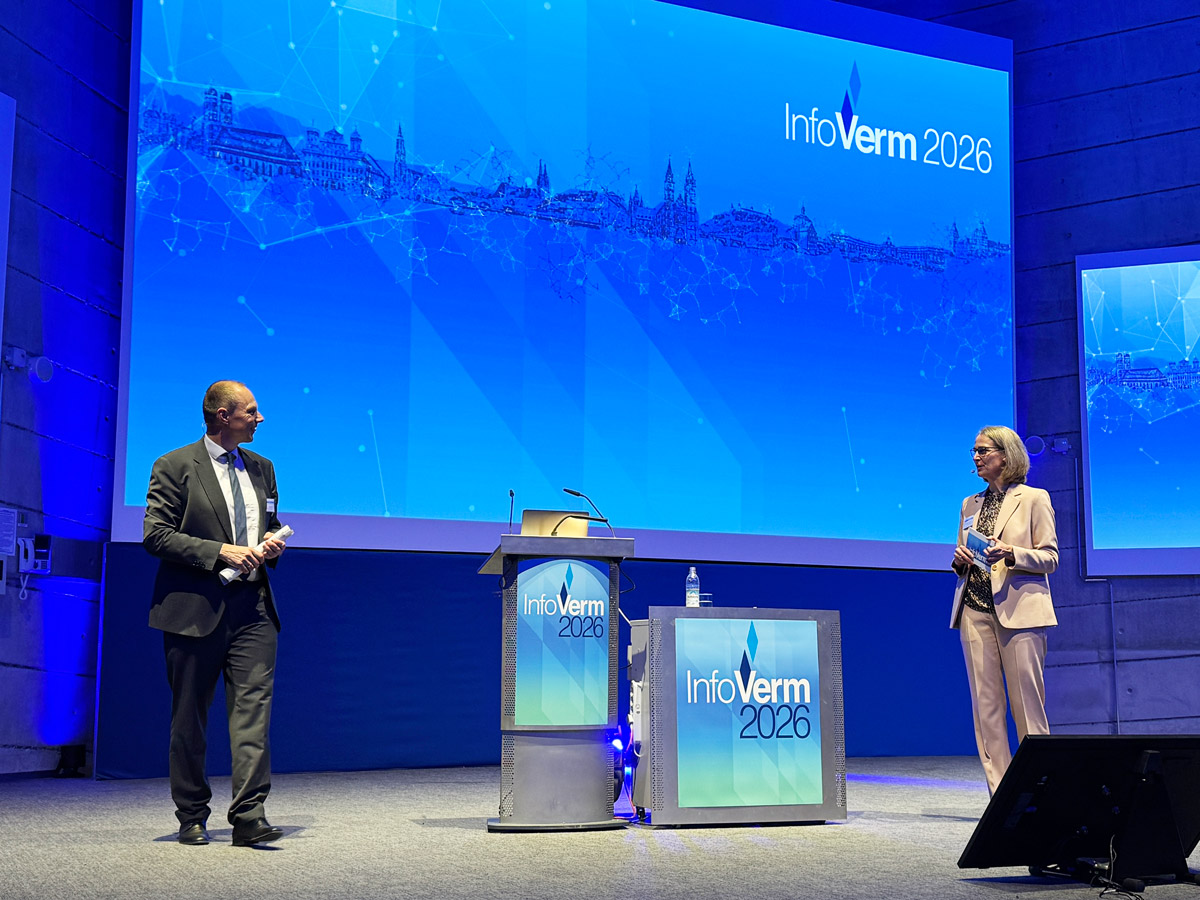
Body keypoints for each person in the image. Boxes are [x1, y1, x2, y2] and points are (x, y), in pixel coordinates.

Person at [144, 380, 289, 846]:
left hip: (254, 608)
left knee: (253, 714)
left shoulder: (263, 467)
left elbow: (267, 522)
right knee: (189, 718)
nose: (259, 418)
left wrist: (270, 544)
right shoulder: (174, 465)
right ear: (223, 415)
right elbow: (156, 535)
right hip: (195, 609)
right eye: (251, 410)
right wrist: (220, 552)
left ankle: (249, 815)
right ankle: (191, 814)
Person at [950, 425, 1058, 795]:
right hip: (974, 609)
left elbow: (1050, 557)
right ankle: (1000, 795)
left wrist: (1011, 553)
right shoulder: (969, 504)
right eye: (974, 451)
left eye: (983, 450)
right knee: (986, 709)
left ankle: (1039, 793)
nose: (976, 457)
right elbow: (965, 555)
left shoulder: (1034, 499)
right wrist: (959, 560)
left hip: (1020, 612)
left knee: (1027, 707)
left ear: (1006, 454)